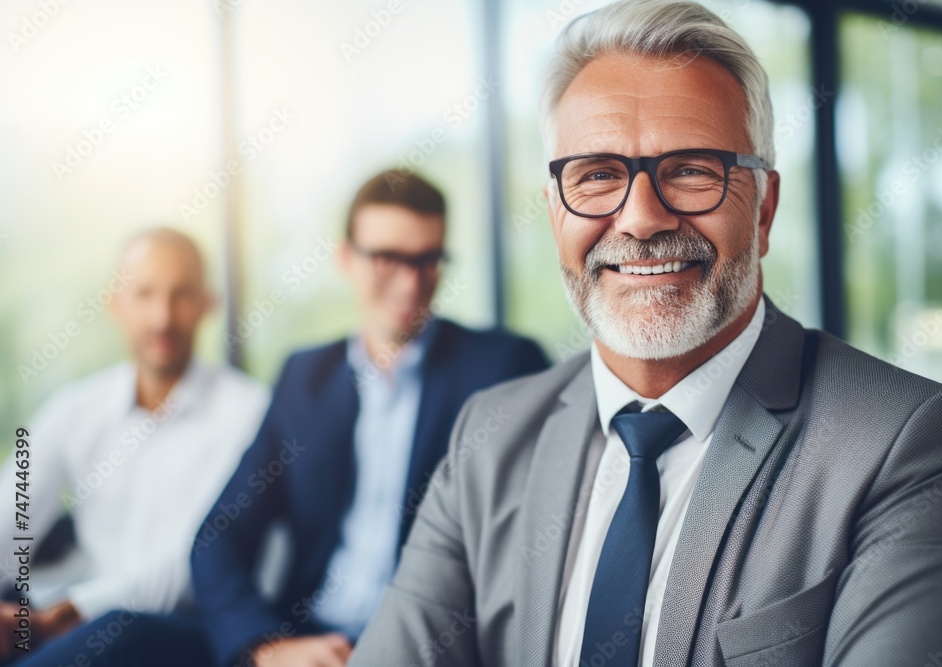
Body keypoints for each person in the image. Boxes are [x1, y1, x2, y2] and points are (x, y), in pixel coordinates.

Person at [350, 2, 942, 666]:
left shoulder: (919, 447)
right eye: (597, 175)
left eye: (691, 170)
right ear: (554, 215)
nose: (640, 219)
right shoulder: (487, 439)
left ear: (765, 209)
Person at [26, 170, 549, 667]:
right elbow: (220, 537)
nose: (411, 283)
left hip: (424, 647)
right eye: (389, 259)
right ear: (346, 259)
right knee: (121, 636)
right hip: (308, 638)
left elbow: (531, 538)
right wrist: (263, 645)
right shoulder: (307, 378)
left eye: (428, 260)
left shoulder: (501, 367)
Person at [0, 228, 269, 664]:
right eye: (144, 294)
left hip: (189, 632)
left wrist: (67, 614)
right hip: (76, 628)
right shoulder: (74, 410)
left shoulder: (250, 413)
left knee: (118, 629)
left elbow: (197, 562)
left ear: (207, 304)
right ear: (115, 303)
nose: (162, 317)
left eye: (181, 294)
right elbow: (10, 516)